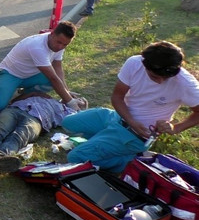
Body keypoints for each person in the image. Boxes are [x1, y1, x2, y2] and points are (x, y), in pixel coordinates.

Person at [63, 41, 199, 173]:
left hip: (133, 136)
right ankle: (102, 143)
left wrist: (175, 128)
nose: (160, 81)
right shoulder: (134, 63)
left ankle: (131, 160)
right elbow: (117, 96)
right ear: (145, 64)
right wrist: (131, 121)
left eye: (165, 78)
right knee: (67, 123)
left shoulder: (186, 83)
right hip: (117, 117)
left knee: (75, 157)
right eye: (154, 76)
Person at [0, 21, 84, 128]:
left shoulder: (58, 44)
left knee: (52, 83)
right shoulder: (37, 47)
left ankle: (21, 98)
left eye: (65, 44)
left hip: (30, 75)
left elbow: (58, 68)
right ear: (52, 34)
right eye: (59, 42)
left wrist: (67, 92)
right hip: (10, 74)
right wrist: (70, 102)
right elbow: (53, 77)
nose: (61, 47)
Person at [0, 92, 80, 173]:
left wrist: (80, 106)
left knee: (18, 137)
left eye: (79, 100)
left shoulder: (66, 111)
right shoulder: (44, 96)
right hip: (15, 109)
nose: (77, 99)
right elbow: (22, 96)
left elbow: (78, 121)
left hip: (37, 120)